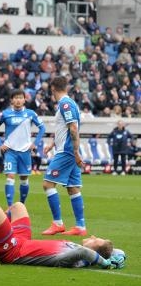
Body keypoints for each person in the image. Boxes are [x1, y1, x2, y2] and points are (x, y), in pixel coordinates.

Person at [0, 201, 126, 269]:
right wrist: (118, 255)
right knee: (18, 206)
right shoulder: (83, 252)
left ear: (93, 250)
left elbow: (87, 254)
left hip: (14, 252)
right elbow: (115, 251)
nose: (93, 236)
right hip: (23, 241)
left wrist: (106, 263)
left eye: (96, 240)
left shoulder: (76, 259)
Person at [42, 76, 86, 236]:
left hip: (67, 151)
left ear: (53, 88)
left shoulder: (65, 104)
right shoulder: (69, 103)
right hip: (66, 149)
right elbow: (66, 129)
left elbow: (73, 128)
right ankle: (80, 227)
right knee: (73, 188)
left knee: (47, 184)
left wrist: (75, 151)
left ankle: (57, 223)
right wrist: (52, 144)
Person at [0, 89, 45, 207]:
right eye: (15, 98)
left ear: (24, 100)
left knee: (24, 179)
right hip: (10, 151)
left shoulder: (31, 113)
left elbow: (42, 128)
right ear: (11, 100)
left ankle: (21, 205)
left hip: (25, 151)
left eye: (20, 97)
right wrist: (0, 144)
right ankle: (10, 207)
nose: (18, 100)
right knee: (10, 177)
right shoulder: (5, 114)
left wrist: (35, 143)